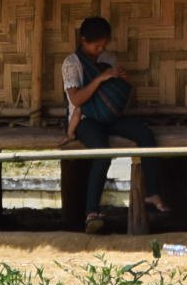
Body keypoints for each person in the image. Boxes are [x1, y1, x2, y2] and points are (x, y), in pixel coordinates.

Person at [61, 14, 162, 234]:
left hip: (109, 116)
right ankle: (91, 213)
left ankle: (151, 192)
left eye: (103, 45)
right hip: (86, 119)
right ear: (83, 40)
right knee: (102, 152)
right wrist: (100, 79)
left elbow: (117, 92)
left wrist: (119, 81)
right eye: (96, 45)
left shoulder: (108, 59)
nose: (100, 49)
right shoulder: (71, 64)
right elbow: (76, 100)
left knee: (144, 134)